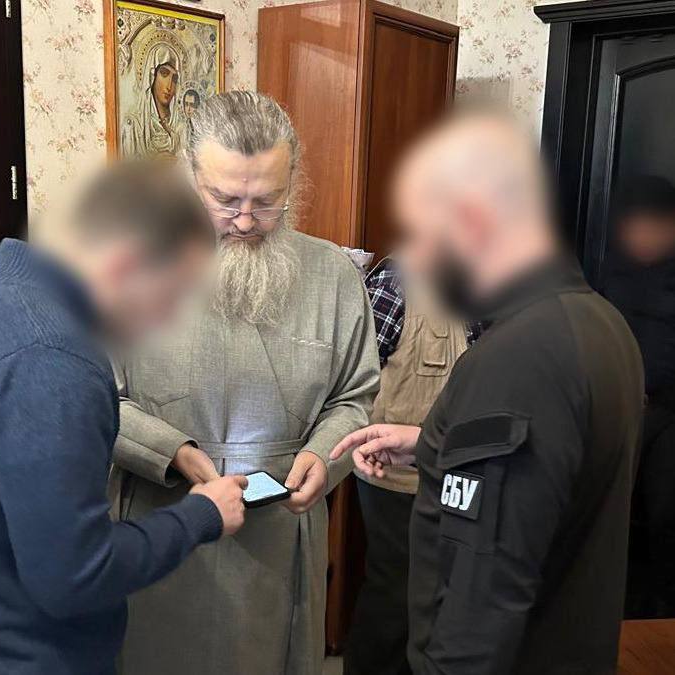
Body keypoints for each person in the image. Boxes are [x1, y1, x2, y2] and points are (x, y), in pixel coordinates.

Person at [0, 161, 249, 675]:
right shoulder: (55, 361)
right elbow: (76, 576)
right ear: (126, 264)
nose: (170, 318)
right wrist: (200, 516)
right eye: (173, 294)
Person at [331, 112, 645, 674]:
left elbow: (481, 596)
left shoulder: (515, 358)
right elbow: (544, 477)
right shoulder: (600, 322)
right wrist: (431, 444)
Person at [112, 91, 380, 675]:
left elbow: (354, 396)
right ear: (188, 179)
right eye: (225, 200)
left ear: (294, 182)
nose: (244, 221)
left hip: (282, 537)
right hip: (168, 525)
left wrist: (323, 455)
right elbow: (99, 401)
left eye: (266, 202)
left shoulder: (333, 276)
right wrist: (174, 451)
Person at [345, 255, 482, 675]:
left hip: (463, 468)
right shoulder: (396, 280)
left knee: (447, 595)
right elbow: (354, 374)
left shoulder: (487, 282)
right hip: (395, 475)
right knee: (395, 593)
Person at [604, 174, 675, 617]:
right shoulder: (609, 269)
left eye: (655, 225)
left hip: (668, 412)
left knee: (666, 515)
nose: (643, 235)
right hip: (620, 407)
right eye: (636, 225)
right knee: (609, 513)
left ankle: (662, 615)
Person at [121, 44, 186, 158]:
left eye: (174, 79)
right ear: (151, 77)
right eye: (164, 74)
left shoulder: (181, 128)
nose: (169, 86)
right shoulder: (133, 126)